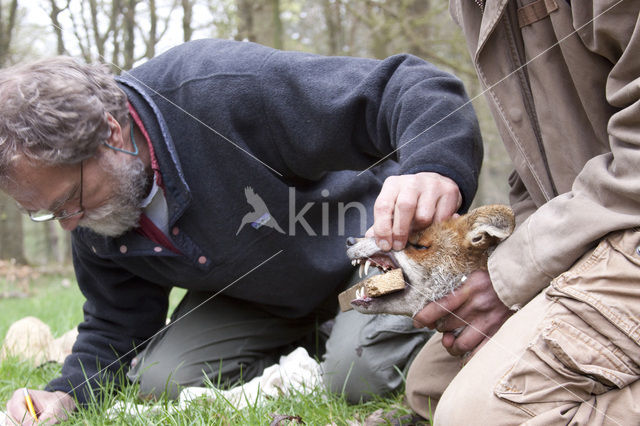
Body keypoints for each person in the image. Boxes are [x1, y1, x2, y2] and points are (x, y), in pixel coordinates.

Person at [0, 39, 482, 423]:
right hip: (263, 298)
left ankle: (354, 334)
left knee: (359, 373)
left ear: (110, 132)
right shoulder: (95, 210)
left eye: (68, 200)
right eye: (45, 213)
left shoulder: (221, 88)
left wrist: (434, 167)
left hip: (370, 259)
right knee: (164, 379)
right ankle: (323, 339)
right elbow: (115, 320)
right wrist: (64, 394)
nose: (68, 222)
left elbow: (405, 86)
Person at [405, 0, 640, 424]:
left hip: (630, 223)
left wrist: (510, 277)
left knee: (475, 418)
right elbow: (537, 167)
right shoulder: (472, 7)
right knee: (429, 389)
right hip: (600, 226)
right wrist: (494, 266)